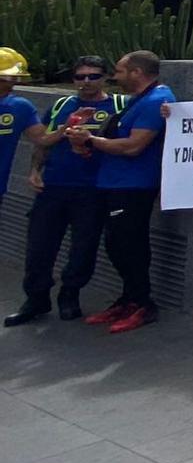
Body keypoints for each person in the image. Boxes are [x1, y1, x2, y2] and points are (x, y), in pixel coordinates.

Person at [7, 54, 114, 327]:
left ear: (105, 77)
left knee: (83, 248)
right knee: (39, 247)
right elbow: (43, 142)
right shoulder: (61, 105)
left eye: (93, 76)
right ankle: (36, 298)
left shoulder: (119, 105)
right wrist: (34, 171)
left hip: (93, 189)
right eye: (80, 77)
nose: (86, 82)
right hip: (54, 186)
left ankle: (70, 294)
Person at [73, 51, 175, 333]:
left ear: (137, 73)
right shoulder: (138, 100)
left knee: (130, 245)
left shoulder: (156, 100)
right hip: (115, 183)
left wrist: (91, 139)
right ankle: (128, 299)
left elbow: (133, 146)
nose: (114, 77)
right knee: (116, 245)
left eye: (119, 71)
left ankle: (143, 304)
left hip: (134, 186)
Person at [0, 46, 42, 206]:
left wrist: (67, 126)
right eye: (7, 79)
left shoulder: (19, 106)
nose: (13, 85)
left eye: (15, 79)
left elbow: (42, 139)